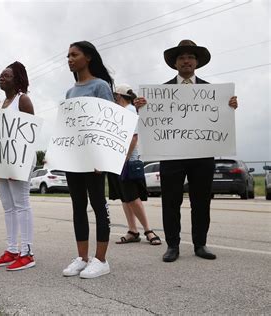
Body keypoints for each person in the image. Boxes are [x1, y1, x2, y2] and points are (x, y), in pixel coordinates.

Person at [158, 40, 238, 262]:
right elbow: (152, 121)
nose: (186, 61)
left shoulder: (212, 92)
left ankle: (200, 244)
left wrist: (229, 106)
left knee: (201, 201)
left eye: (190, 57)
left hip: (202, 155)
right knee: (171, 202)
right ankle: (172, 245)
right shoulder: (160, 93)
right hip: (171, 155)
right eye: (182, 57)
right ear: (175, 63)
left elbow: (220, 120)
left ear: (197, 62)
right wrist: (142, 106)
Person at [61, 41, 114, 279]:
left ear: (88, 57)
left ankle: (101, 260)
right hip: (75, 159)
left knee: (98, 205)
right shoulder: (70, 92)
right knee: (78, 206)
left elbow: (108, 123)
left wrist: (101, 159)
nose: (70, 59)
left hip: (94, 160)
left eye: (74, 54)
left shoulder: (100, 86)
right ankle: (82, 258)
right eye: (68, 56)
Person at [0, 61, 36, 271]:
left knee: (21, 203)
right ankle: (12, 250)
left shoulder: (22, 100)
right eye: (0, 75)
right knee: (8, 207)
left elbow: (29, 133)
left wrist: (17, 164)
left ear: (17, 79)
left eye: (6, 76)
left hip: (19, 159)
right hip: (2, 160)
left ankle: (27, 253)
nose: (1, 78)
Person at [107, 84, 161, 246]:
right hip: (119, 160)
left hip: (127, 160)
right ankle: (132, 230)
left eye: (114, 96)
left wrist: (125, 158)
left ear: (118, 96)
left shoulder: (129, 111)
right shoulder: (123, 111)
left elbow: (134, 138)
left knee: (132, 197)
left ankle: (148, 230)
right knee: (125, 198)